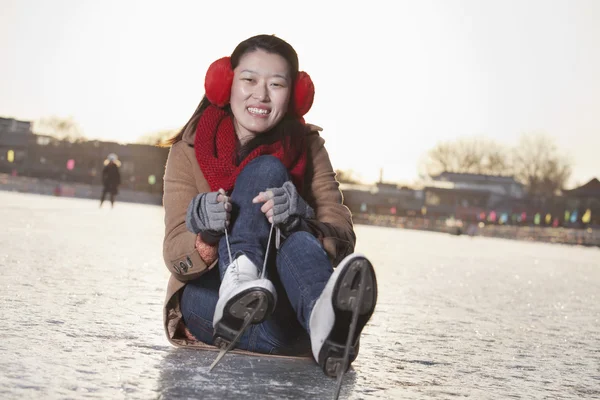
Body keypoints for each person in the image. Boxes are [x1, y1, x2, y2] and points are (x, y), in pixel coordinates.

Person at [161, 34, 378, 380]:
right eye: (249, 80)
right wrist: (205, 235)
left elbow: (342, 237)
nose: (261, 95)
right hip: (211, 299)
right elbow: (175, 254)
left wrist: (300, 217)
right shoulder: (186, 151)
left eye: (276, 84)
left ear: (294, 95)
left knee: (291, 221)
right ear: (225, 84)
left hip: (290, 304)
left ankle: (326, 324)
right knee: (267, 170)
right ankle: (241, 284)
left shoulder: (309, 146)